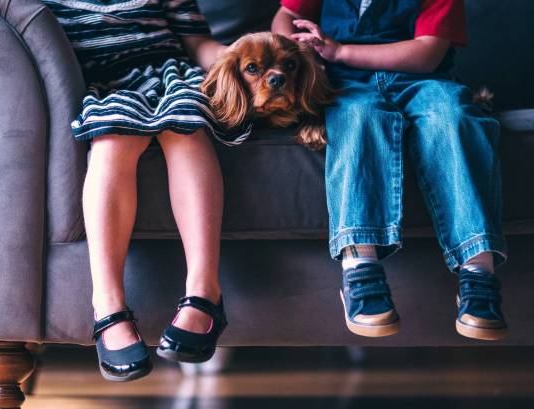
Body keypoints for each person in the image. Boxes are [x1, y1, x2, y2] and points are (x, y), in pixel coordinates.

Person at [272, 0, 507, 340]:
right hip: (348, 85)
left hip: (422, 80)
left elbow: (427, 53)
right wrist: (292, 50)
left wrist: (339, 51)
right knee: (357, 119)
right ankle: (360, 265)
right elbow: (289, 14)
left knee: (454, 119)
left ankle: (477, 270)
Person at [42, 0, 242, 381]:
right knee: (112, 139)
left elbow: (197, 42)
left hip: (168, 71)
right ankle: (108, 305)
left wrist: (238, 56)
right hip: (102, 81)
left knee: (185, 127)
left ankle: (204, 291)